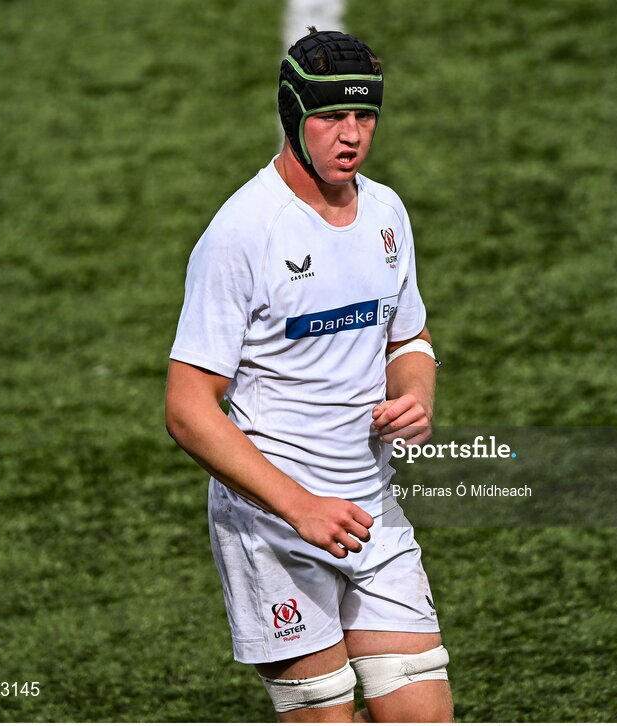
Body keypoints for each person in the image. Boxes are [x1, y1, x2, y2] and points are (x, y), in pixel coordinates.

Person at [164, 28, 453, 723]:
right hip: (273, 528)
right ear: (294, 117)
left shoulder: (386, 213)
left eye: (364, 116)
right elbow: (187, 408)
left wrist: (414, 392)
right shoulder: (242, 234)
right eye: (330, 117)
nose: (350, 135)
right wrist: (300, 508)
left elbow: (408, 335)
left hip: (370, 512)